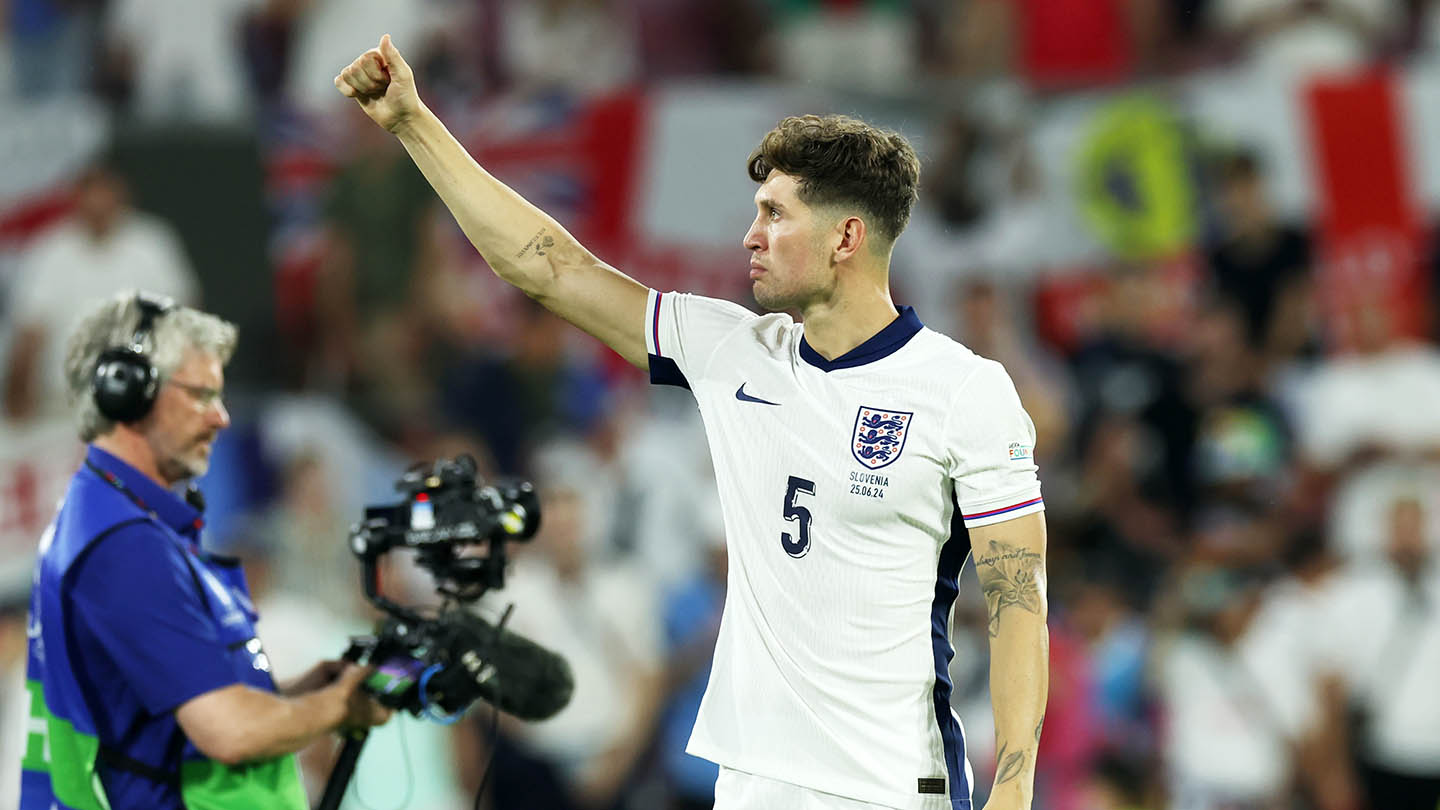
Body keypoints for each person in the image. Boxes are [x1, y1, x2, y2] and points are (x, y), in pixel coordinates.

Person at [336, 36, 1049, 810]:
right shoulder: (730, 352)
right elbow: (546, 268)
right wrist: (414, 125)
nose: (749, 236)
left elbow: (1018, 605)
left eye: (775, 215)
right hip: (751, 782)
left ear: (846, 237)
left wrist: (1012, 789)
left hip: (891, 786)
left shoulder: (964, 391)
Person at [19, 292, 390, 810]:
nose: (221, 418)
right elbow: (229, 734)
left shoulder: (111, 520)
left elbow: (168, 716)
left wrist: (301, 694)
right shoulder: (124, 545)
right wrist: (337, 708)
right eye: (201, 395)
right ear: (128, 394)